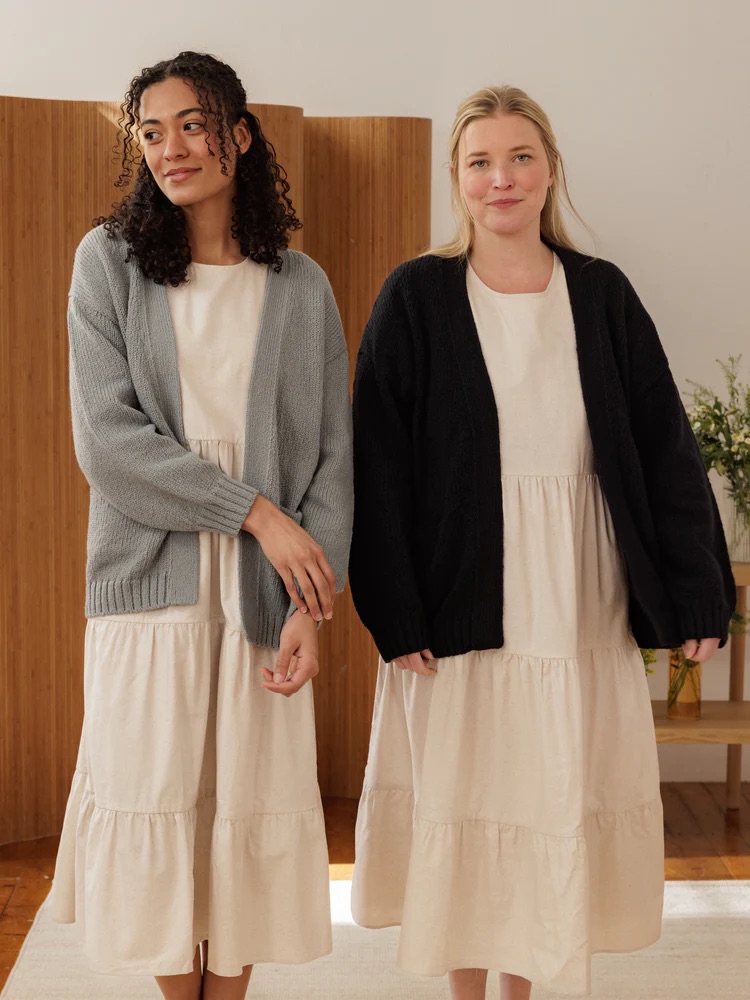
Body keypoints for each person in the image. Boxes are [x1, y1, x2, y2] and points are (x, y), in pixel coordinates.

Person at [348, 85, 735, 1000]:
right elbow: (378, 465)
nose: (503, 178)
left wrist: (698, 591)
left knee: (549, 792)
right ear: (456, 178)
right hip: (459, 589)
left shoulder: (601, 293)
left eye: (520, 157)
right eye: (480, 161)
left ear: (551, 169)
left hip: (576, 589)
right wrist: (394, 609)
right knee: (470, 796)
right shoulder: (416, 295)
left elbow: (665, 449)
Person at [48, 51, 353, 1000]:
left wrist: (311, 602)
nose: (171, 148)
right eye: (151, 132)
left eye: (192, 124)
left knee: (246, 814)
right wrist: (255, 515)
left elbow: (333, 459)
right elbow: (109, 445)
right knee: (159, 806)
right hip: (152, 585)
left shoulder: (300, 285)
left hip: (267, 593)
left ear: (240, 135)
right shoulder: (107, 263)